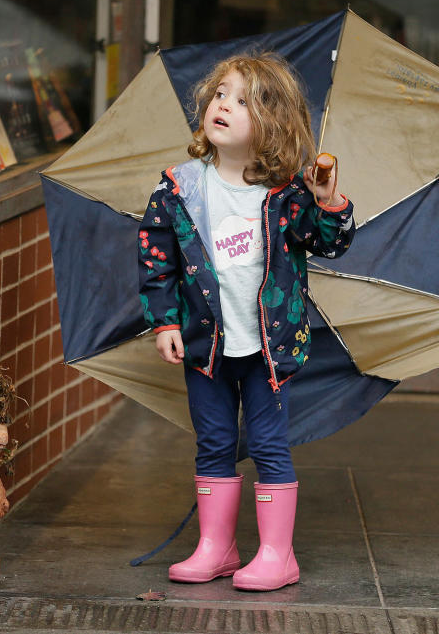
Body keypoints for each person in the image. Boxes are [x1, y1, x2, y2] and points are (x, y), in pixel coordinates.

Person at [137, 52, 355, 591]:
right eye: (220, 94)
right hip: (206, 345)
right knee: (212, 442)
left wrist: (328, 203)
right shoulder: (180, 188)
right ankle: (218, 546)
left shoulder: (287, 196)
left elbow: (331, 244)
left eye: (244, 101)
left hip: (268, 348)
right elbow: (155, 259)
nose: (224, 106)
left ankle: (278, 554)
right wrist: (165, 322)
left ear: (273, 125)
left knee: (266, 443)